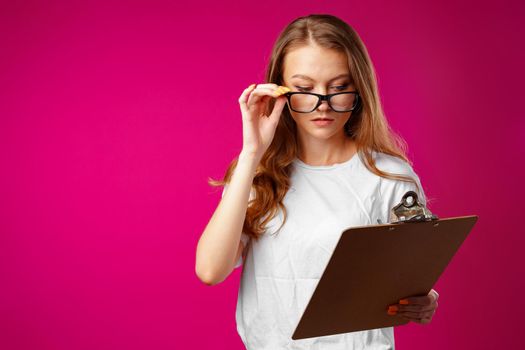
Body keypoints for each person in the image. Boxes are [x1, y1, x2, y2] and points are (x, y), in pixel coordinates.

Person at [196, 13, 439, 349]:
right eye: (305, 89)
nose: (322, 105)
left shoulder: (389, 176)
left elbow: (410, 273)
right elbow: (210, 270)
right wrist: (252, 152)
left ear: (359, 88)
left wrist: (424, 298)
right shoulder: (257, 173)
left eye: (339, 88)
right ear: (279, 90)